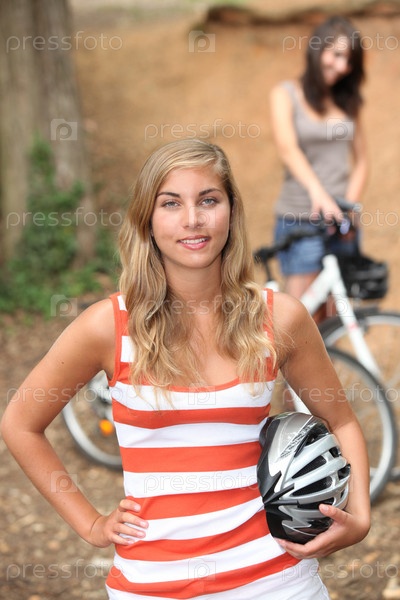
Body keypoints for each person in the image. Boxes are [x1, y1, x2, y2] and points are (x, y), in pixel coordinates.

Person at [1, 139, 370, 600]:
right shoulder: (107, 326)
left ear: (231, 211)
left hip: (277, 580)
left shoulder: (279, 318)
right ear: (147, 219)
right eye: (171, 203)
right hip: (151, 586)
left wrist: (360, 516)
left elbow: (341, 420)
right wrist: (91, 524)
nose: (192, 219)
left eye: (208, 200)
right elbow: (20, 424)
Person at [271, 15, 368, 299]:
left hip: (341, 222)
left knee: (337, 314)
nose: (342, 66)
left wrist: (348, 208)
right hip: (301, 219)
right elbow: (288, 149)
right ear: (317, 48)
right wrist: (319, 194)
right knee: (302, 316)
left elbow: (362, 161)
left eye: (349, 61)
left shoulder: (347, 102)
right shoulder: (285, 94)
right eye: (336, 55)